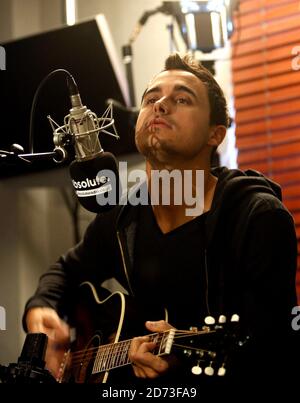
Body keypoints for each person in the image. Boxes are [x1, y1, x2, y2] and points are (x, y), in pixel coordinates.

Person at [23, 53, 298, 392]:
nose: (160, 105)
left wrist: (182, 360)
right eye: (151, 98)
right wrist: (40, 310)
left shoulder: (257, 219)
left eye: (182, 99)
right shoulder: (123, 215)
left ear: (216, 134)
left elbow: (278, 352)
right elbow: (65, 270)